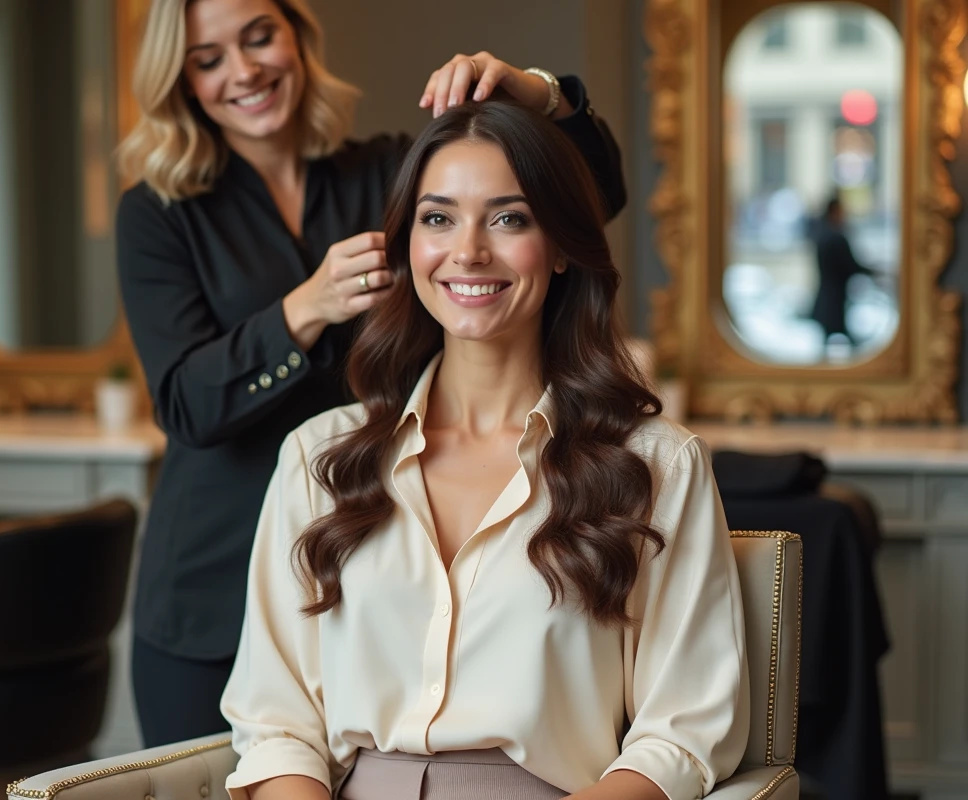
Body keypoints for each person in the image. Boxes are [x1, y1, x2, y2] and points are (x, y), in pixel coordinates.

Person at [116, 0, 627, 747]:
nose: (245, 70)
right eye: (209, 58)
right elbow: (186, 405)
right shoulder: (159, 215)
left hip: (374, 579)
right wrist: (302, 310)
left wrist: (537, 94)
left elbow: (590, 197)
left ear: (298, 39)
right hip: (211, 587)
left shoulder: (386, 174)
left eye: (260, 38)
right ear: (184, 81)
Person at [220, 100, 750, 800]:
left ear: (561, 246)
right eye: (438, 218)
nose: (468, 251)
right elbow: (276, 721)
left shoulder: (655, 466)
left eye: (509, 218)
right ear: (408, 244)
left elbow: (682, 732)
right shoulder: (319, 457)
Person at [809, 196, 876, 345]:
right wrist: (875, 272)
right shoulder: (835, 237)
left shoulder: (822, 234)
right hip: (834, 300)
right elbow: (851, 265)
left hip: (827, 298)